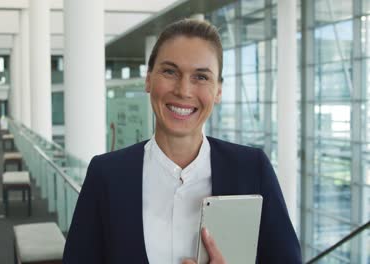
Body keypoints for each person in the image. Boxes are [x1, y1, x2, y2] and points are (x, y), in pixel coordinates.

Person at [63, 19, 302, 264]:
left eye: (201, 76)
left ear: (218, 90)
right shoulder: (106, 175)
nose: (184, 90)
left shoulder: (252, 169)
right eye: (170, 71)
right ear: (148, 80)